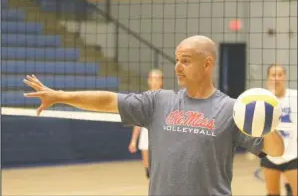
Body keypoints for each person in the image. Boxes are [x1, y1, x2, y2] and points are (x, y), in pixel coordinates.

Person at [23, 35, 285, 196]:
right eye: (177, 59)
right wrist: (61, 96)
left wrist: (267, 123)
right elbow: (108, 100)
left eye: (185, 60)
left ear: (207, 64)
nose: (177, 67)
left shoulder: (232, 109)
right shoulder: (158, 101)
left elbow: (275, 150)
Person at [259, 64, 297, 196]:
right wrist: (271, 97)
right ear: (268, 78)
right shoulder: (263, 99)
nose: (277, 78)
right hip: (270, 155)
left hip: (292, 155)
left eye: (280, 75)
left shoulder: (294, 96)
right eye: (273, 75)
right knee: (272, 193)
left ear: (285, 77)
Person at [128, 69, 164, 179]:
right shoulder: (143, 98)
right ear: (148, 81)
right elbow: (138, 121)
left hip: (162, 134)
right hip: (146, 133)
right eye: (152, 78)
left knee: (160, 169)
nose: (154, 81)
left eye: (157, 79)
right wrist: (133, 141)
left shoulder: (167, 98)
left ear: (161, 81)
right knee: (148, 170)